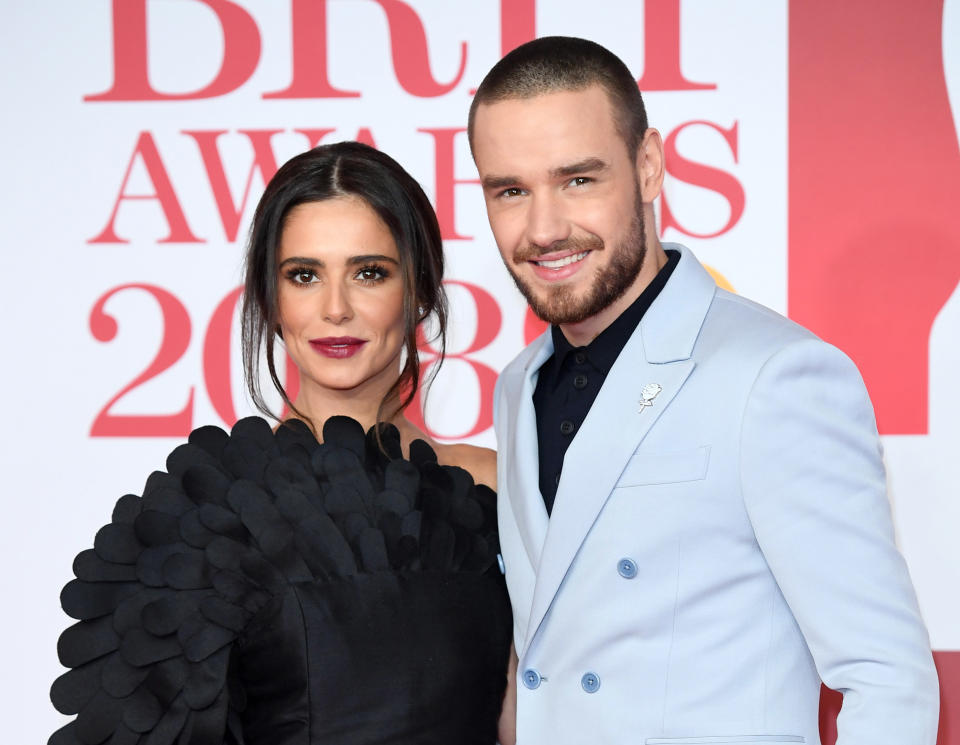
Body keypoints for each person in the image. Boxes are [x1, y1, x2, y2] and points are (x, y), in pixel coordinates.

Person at [468, 36, 939, 744]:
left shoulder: (775, 376)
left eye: (578, 180)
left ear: (649, 166)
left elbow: (886, 678)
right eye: (511, 190)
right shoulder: (517, 386)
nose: (544, 228)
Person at [49, 141, 516, 745]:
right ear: (271, 300)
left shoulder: (503, 489)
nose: (336, 309)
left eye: (369, 273)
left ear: (421, 290)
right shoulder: (204, 519)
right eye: (304, 275)